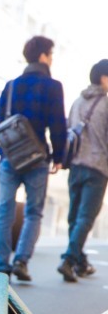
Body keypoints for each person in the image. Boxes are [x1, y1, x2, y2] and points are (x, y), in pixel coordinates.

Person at [0, 35, 67, 282]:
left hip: (10, 159)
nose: (52, 60)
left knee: (4, 210)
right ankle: (21, 261)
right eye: (51, 55)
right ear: (43, 56)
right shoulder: (53, 87)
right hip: (37, 160)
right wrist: (59, 156)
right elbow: (57, 124)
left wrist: (4, 153)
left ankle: (2, 264)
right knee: (34, 212)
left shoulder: (12, 85)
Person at [57, 59, 108, 282]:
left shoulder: (77, 102)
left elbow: (68, 131)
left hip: (75, 166)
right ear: (104, 78)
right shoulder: (106, 105)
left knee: (74, 217)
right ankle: (69, 260)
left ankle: (79, 262)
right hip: (97, 169)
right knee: (86, 218)